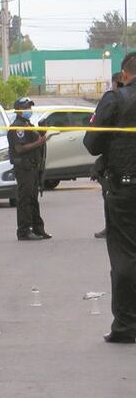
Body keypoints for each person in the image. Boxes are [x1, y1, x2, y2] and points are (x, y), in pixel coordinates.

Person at [84, 53, 136, 343]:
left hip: (125, 190)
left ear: (124, 75)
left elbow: (92, 143)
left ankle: (126, 326)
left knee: (125, 256)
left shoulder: (116, 100)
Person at [8, 97, 51, 241]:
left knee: (33, 199)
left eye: (30, 107)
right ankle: (24, 231)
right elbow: (19, 148)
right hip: (24, 167)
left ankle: (38, 229)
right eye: (26, 107)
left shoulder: (27, 124)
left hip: (32, 167)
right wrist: (39, 142)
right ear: (19, 110)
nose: (29, 110)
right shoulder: (18, 126)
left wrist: (41, 133)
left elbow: (34, 139)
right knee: (25, 200)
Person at [91, 71, 125, 239]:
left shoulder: (113, 100)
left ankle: (113, 227)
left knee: (112, 195)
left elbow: (94, 139)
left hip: (117, 162)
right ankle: (110, 226)